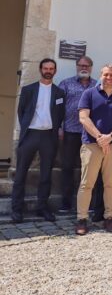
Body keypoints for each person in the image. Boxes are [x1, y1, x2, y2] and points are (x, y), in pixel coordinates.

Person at [75, 64, 112, 236]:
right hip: (92, 144)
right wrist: (100, 137)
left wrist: (110, 137)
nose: (109, 78)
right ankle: (82, 219)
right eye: (106, 74)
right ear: (101, 75)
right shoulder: (89, 94)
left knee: (111, 184)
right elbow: (83, 117)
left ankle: (109, 217)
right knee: (87, 184)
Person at [11, 58, 65, 224]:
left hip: (48, 136)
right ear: (40, 69)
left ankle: (42, 208)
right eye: (46, 68)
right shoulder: (28, 90)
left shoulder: (59, 93)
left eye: (51, 68)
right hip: (30, 135)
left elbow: (60, 114)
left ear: (55, 71)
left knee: (46, 174)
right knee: (21, 173)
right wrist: (28, 128)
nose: (48, 70)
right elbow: (21, 112)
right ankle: (16, 210)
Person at [57, 55, 97, 214]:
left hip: (90, 134)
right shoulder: (65, 84)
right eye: (81, 65)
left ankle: (87, 204)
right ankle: (65, 204)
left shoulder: (97, 85)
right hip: (70, 132)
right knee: (67, 167)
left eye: (87, 65)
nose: (84, 68)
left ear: (91, 68)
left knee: (88, 169)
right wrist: (59, 128)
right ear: (76, 66)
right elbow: (58, 108)